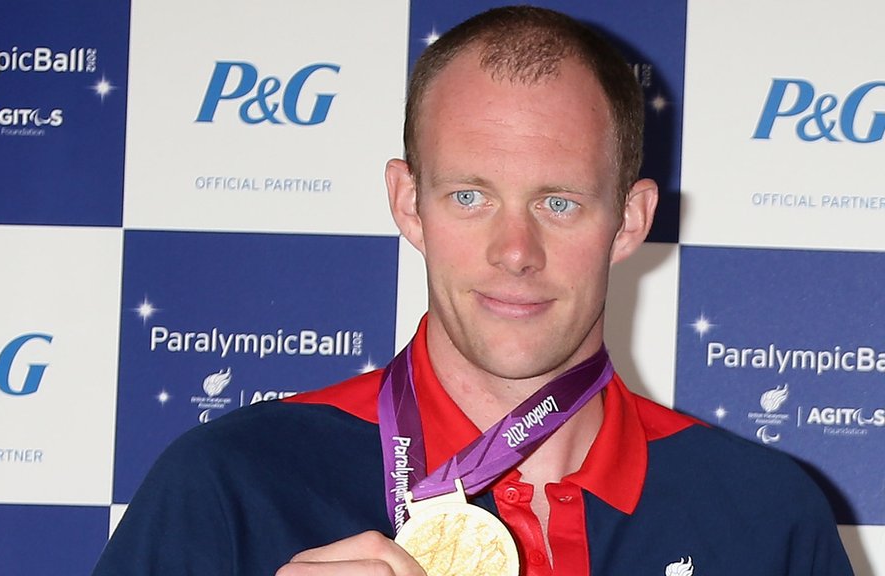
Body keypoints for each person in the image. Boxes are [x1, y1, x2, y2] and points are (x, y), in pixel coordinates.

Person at [93, 6, 854, 575]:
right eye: (470, 196)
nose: (515, 251)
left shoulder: (763, 516)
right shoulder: (232, 486)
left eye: (559, 202)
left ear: (629, 221)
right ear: (408, 203)